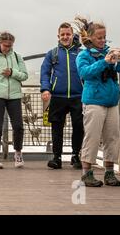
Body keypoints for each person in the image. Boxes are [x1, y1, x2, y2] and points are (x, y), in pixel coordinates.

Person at [75, 17, 120, 187]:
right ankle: (87, 173)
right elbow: (85, 73)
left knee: (112, 138)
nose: (103, 41)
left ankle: (109, 172)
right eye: (99, 38)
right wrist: (104, 62)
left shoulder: (110, 52)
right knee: (92, 138)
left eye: (104, 37)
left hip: (111, 101)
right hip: (93, 101)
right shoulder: (83, 55)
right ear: (90, 38)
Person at [40, 22, 84, 169]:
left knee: (79, 126)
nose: (65, 37)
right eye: (62, 34)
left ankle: (75, 156)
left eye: (68, 34)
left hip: (78, 96)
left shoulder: (80, 53)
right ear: (58, 36)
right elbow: (45, 73)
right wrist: (45, 89)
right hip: (57, 96)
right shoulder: (52, 53)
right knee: (57, 127)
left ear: (72, 35)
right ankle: (56, 157)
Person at [0, 31, 28, 169]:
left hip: (14, 96)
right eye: (5, 45)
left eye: (10, 45)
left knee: (18, 126)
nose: (7, 48)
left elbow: (25, 75)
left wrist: (12, 73)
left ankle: (18, 153)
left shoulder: (16, 56)